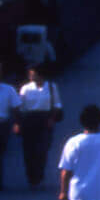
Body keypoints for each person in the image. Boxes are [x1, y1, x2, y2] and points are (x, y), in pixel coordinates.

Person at [17, 62, 62, 190]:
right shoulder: (25, 88)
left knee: (42, 149)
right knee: (29, 150)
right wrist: (18, 123)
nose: (31, 77)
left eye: (33, 74)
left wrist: (52, 118)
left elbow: (57, 104)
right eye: (30, 74)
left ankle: (39, 175)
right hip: (29, 119)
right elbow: (20, 106)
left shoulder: (52, 87)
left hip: (45, 119)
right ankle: (31, 177)